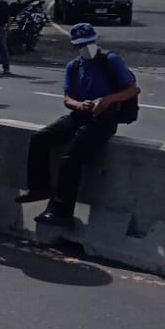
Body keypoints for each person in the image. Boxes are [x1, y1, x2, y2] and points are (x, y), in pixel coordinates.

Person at [22, 23, 140, 226]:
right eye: (81, 45)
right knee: (40, 138)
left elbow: (132, 90)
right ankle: (39, 187)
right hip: (80, 114)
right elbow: (67, 98)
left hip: (105, 118)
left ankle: (61, 212)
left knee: (70, 160)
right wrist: (80, 105)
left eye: (88, 43)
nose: (86, 48)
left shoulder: (110, 60)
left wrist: (106, 100)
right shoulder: (74, 66)